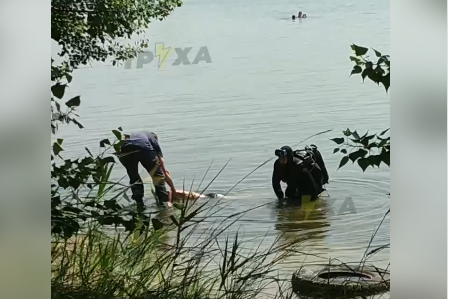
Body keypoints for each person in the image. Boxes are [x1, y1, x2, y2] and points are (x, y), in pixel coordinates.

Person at [118, 131, 175, 211]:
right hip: (144, 147)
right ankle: (163, 204)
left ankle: (139, 204)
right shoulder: (152, 138)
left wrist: (129, 167)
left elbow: (120, 151)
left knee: (134, 177)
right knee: (157, 176)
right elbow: (161, 163)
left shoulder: (133, 136)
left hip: (126, 148)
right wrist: (173, 189)